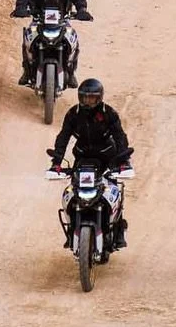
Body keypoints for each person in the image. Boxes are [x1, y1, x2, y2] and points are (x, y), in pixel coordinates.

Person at [49, 78, 131, 249]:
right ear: (80, 97)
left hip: (106, 158)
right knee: (74, 190)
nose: (88, 101)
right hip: (82, 159)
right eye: (85, 97)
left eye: (92, 98)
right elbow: (63, 137)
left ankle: (118, 230)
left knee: (113, 192)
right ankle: (72, 229)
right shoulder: (73, 114)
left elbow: (119, 136)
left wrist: (123, 161)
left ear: (99, 98)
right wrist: (56, 162)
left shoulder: (109, 113)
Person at [13, 0, 91, 85]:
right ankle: (27, 71)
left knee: (73, 38)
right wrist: (21, 8)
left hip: (62, 21)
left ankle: (70, 72)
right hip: (38, 20)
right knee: (28, 38)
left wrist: (82, 10)